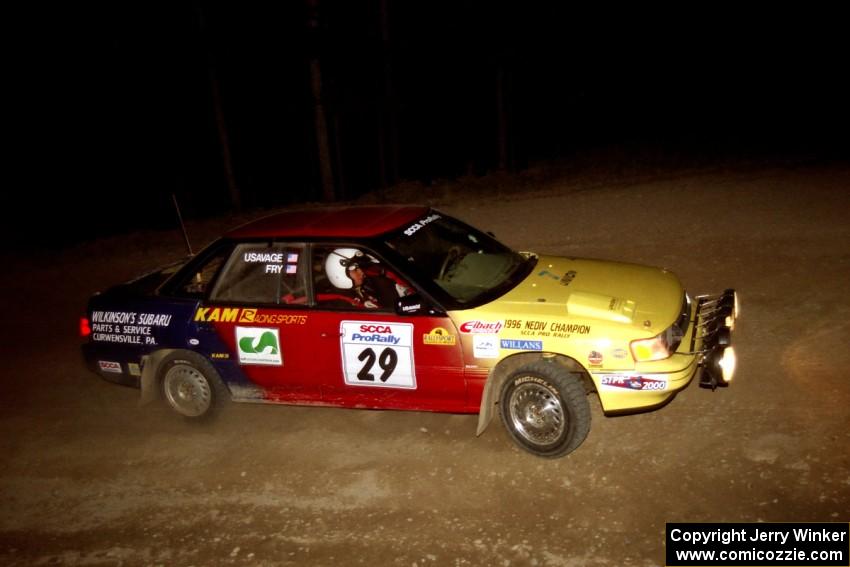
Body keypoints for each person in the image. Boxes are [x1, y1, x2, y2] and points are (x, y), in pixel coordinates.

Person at [323, 248, 409, 309]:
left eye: (359, 268)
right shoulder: (339, 304)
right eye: (355, 269)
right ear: (338, 273)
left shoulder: (365, 285)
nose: (361, 272)